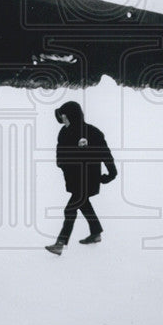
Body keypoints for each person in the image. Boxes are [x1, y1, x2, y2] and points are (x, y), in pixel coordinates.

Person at [45, 101, 117, 256]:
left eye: (64, 116)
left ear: (71, 115)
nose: (62, 119)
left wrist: (112, 172)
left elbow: (105, 153)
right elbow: (60, 157)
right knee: (84, 204)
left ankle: (60, 243)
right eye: (61, 116)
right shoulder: (63, 133)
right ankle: (96, 233)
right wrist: (67, 161)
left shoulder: (92, 132)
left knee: (70, 209)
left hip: (88, 178)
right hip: (73, 178)